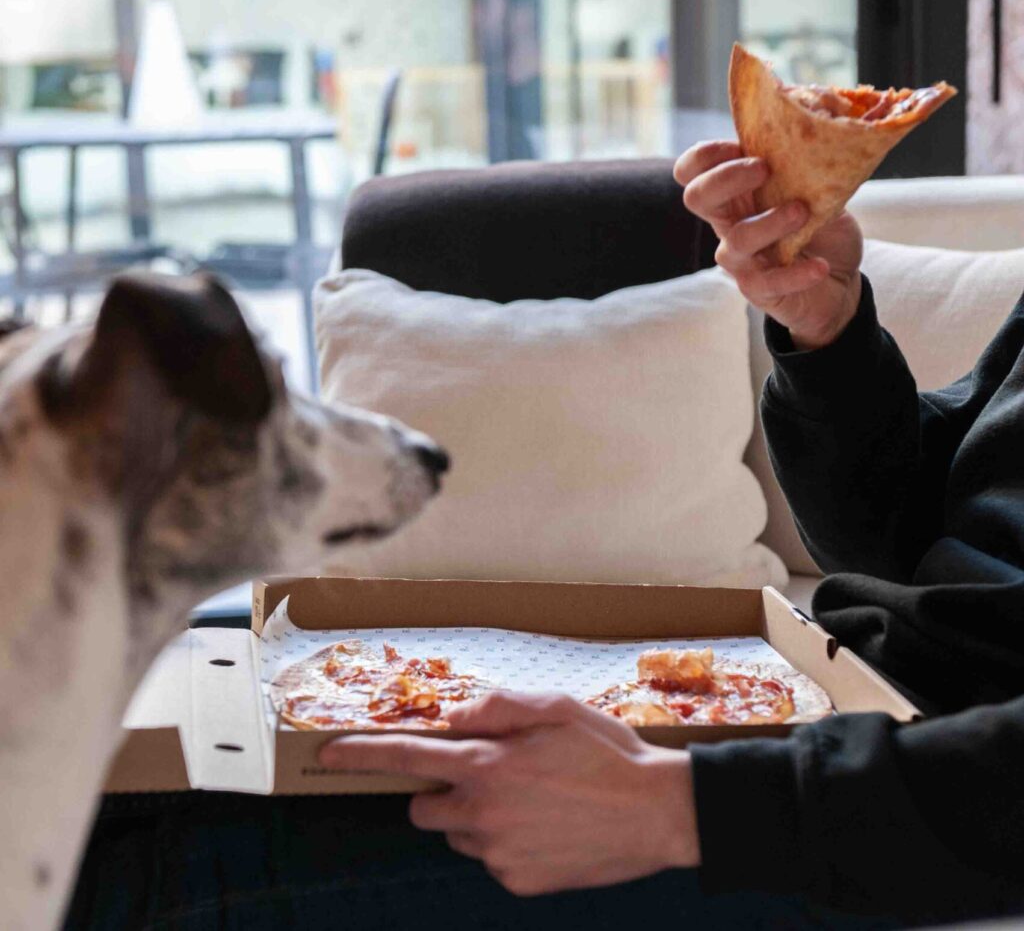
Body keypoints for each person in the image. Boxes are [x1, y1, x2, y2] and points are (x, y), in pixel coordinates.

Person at [319, 140, 1024, 927]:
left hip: (889, 823)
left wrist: (680, 810)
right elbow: (891, 534)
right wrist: (831, 334)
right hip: (834, 722)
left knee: (206, 855)